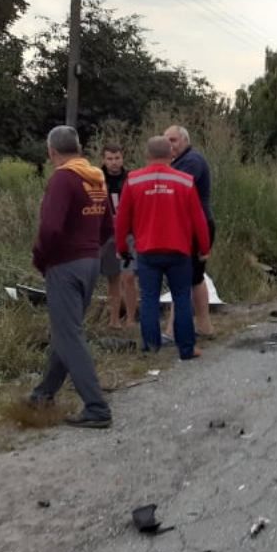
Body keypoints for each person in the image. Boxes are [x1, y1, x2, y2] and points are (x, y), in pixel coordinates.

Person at [29, 126, 113, 429]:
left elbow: (50, 228)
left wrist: (41, 259)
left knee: (69, 336)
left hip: (65, 265)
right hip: (90, 262)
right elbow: (107, 226)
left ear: (52, 152)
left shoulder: (63, 178)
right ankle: (43, 394)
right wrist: (92, 251)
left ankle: (96, 407)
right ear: (78, 148)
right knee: (67, 332)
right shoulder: (96, 178)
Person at [116, 136, 211, 360]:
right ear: (171, 155)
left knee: (149, 298)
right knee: (181, 297)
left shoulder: (133, 180)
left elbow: (122, 219)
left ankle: (151, 347)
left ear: (147, 156)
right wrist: (204, 247)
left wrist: (122, 247)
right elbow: (199, 219)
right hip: (179, 251)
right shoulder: (186, 181)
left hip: (148, 250)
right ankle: (186, 349)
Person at [164, 125, 216, 338]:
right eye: (166, 141)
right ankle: (205, 327)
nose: (169, 145)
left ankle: (173, 331)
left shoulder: (191, 161)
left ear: (185, 140)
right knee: (195, 277)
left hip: (196, 227)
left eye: (173, 140)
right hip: (194, 225)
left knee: (183, 277)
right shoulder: (179, 162)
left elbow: (175, 190)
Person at [98, 143, 138, 329]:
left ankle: (130, 319)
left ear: (122, 158)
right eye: (110, 159)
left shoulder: (131, 178)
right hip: (107, 234)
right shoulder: (97, 179)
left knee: (128, 277)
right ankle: (114, 320)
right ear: (104, 160)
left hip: (128, 233)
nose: (114, 163)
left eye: (117, 158)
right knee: (112, 277)